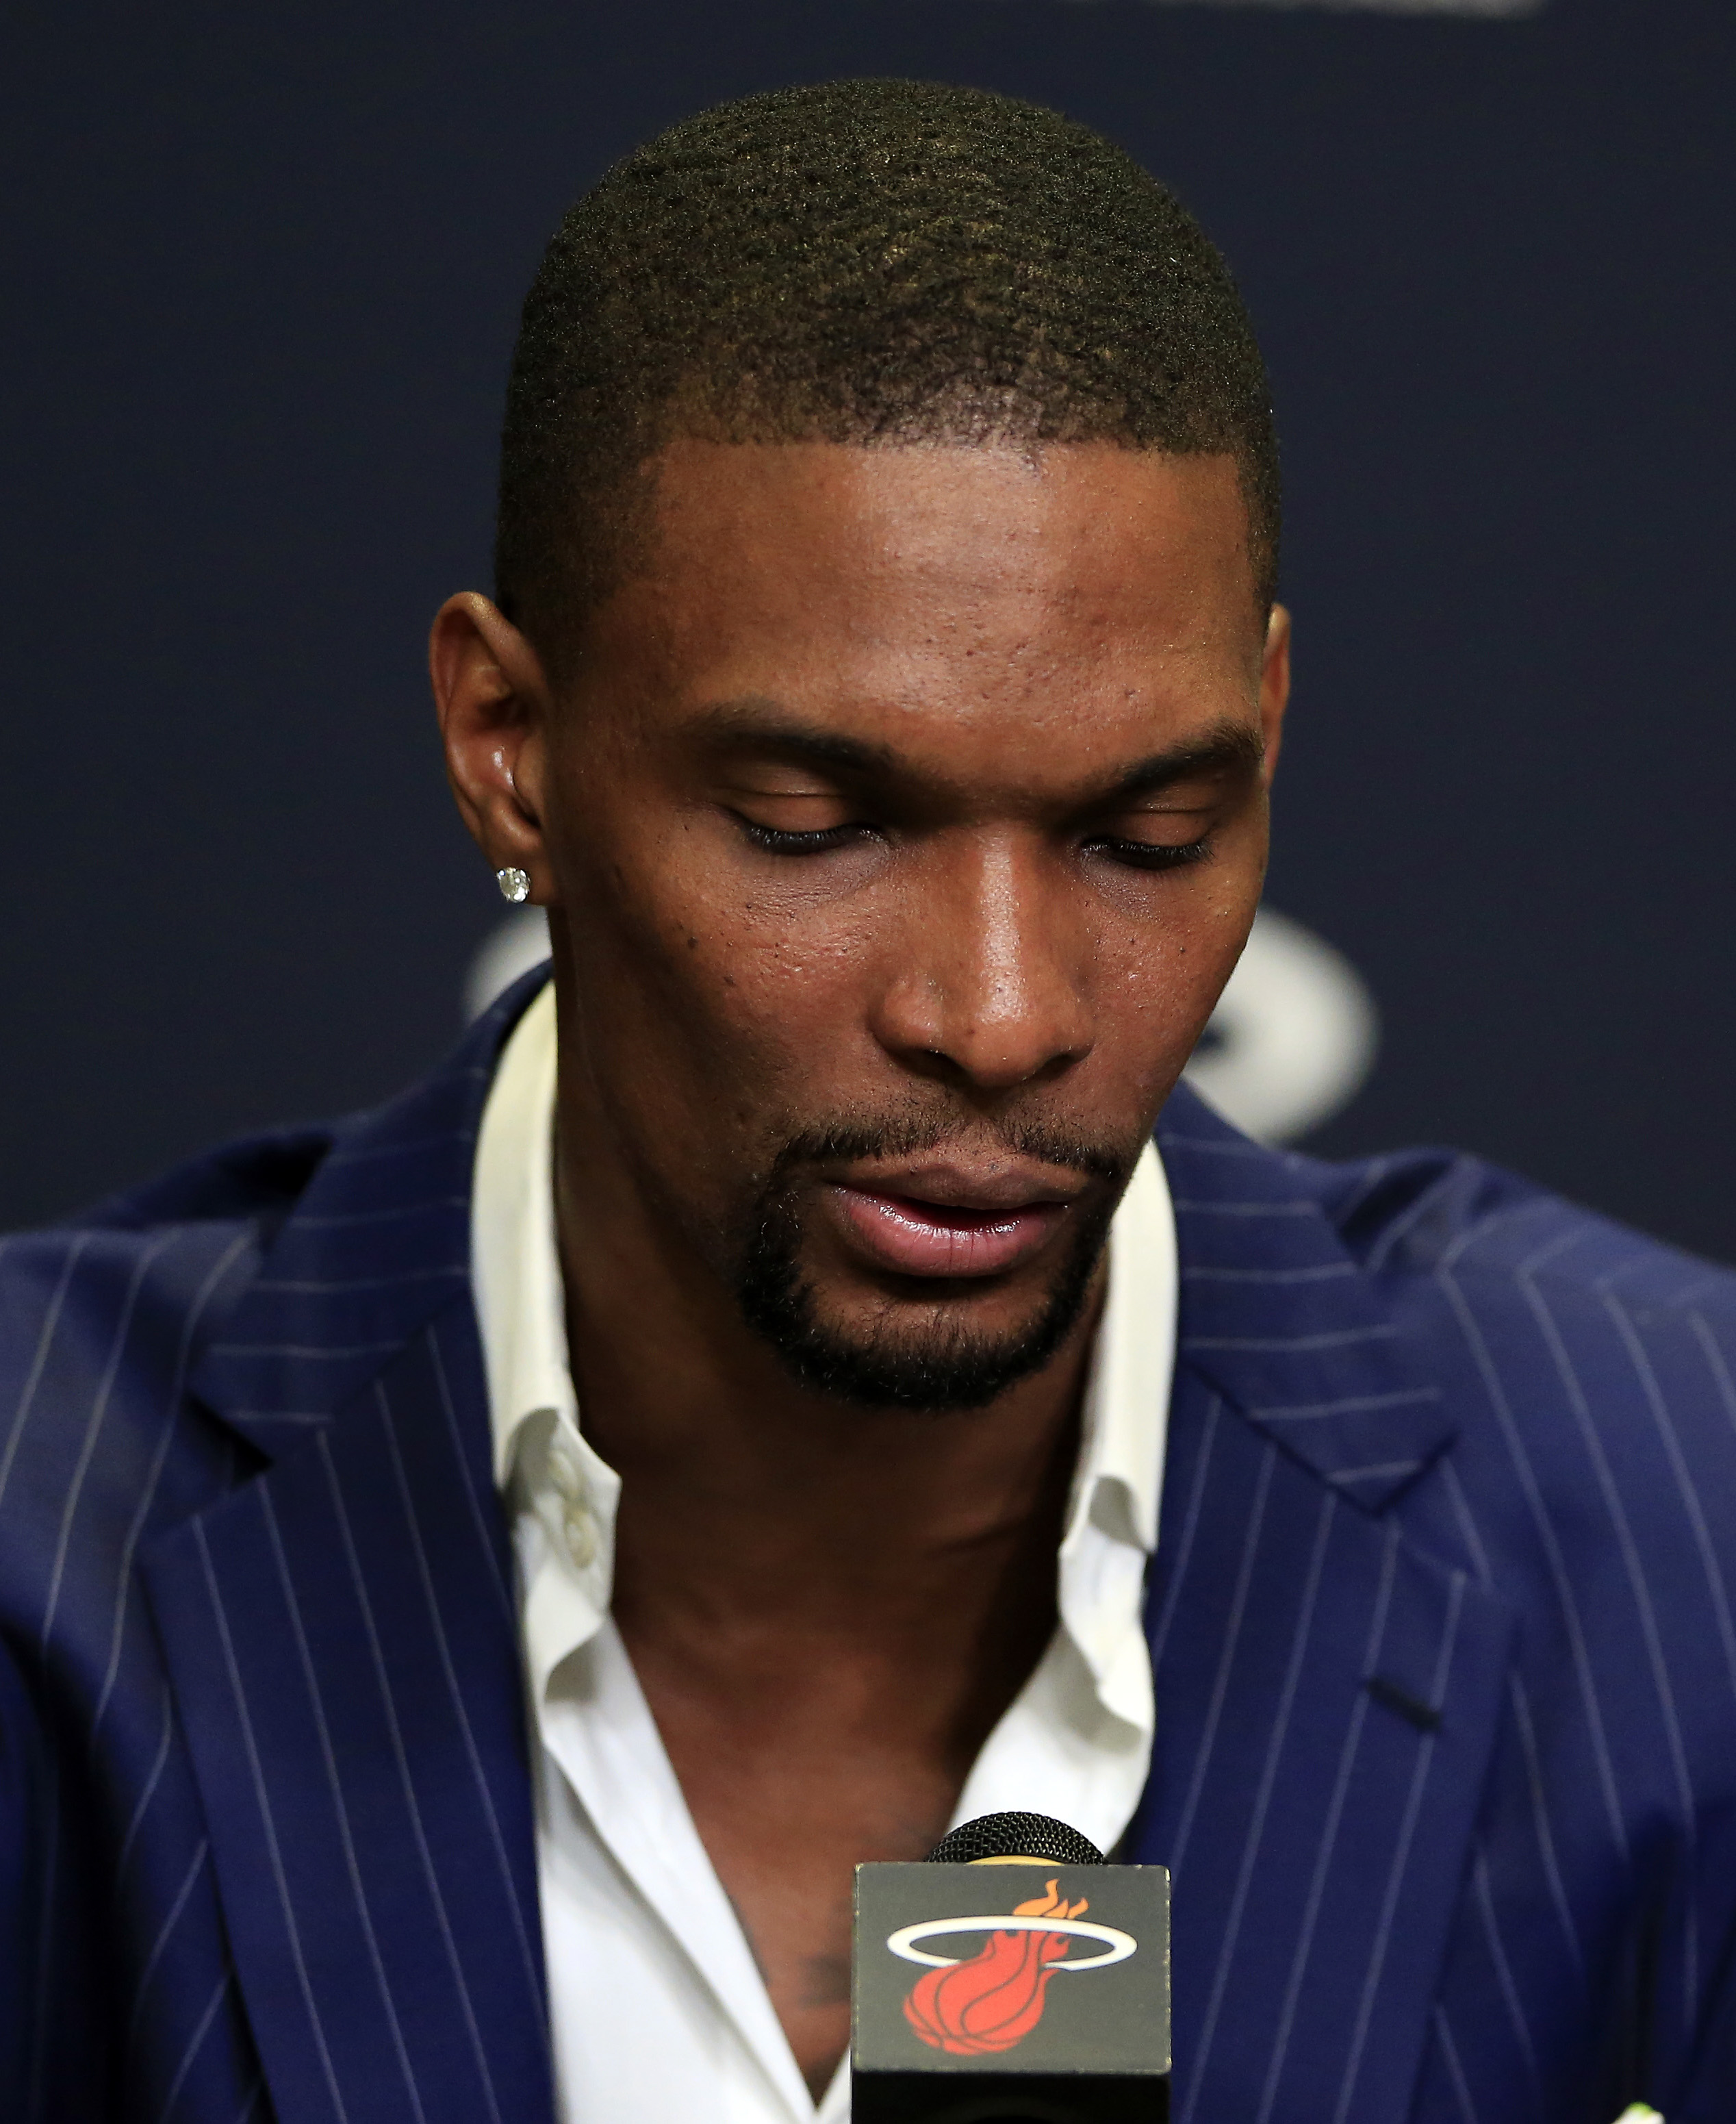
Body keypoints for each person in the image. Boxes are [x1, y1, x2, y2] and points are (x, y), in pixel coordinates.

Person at [1, 76, 1731, 2124]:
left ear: (1268, 731)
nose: (1002, 1014)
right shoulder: (47, 1542)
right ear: (507, 745)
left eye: (1150, 830)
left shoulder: (1683, 1519)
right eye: (817, 826)